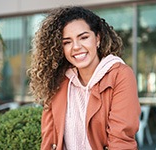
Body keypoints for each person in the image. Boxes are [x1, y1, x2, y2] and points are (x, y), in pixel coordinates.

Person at [28, 6, 141, 150]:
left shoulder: (120, 75)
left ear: (97, 39)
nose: (76, 47)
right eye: (67, 42)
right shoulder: (58, 80)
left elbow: (121, 141)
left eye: (84, 37)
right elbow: (49, 140)